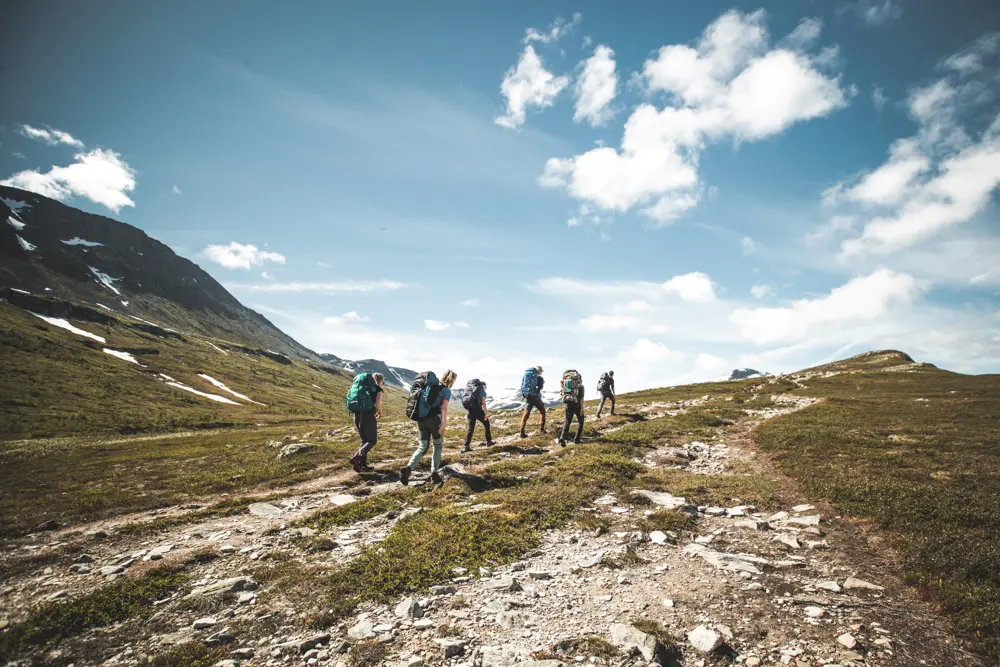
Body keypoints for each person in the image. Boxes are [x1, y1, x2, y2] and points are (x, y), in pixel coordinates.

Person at [400, 369, 457, 486]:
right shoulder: (446, 391)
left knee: (423, 446)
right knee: (438, 445)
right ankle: (434, 473)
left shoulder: (429, 387)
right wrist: (444, 424)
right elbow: (444, 408)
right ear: (452, 380)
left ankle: (408, 469)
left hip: (421, 419)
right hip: (434, 420)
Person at [347, 372, 384, 472]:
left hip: (357, 415)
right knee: (372, 440)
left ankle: (362, 465)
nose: (382, 384)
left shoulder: (363, 387)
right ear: (380, 381)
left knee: (364, 440)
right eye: (382, 382)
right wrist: (380, 412)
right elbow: (377, 403)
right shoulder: (377, 389)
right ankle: (356, 457)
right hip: (368, 416)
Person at [461, 378, 495, 452]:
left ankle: (466, 446)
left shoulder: (472, 391)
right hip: (478, 410)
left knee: (470, 429)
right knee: (487, 424)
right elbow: (483, 403)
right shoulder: (482, 391)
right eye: (486, 386)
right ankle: (489, 442)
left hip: (471, 410)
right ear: (483, 386)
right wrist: (486, 413)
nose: (486, 388)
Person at [557, 369, 585, 447]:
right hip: (577, 404)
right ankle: (577, 439)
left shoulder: (566, 384)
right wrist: (582, 409)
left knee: (567, 420)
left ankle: (562, 437)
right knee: (581, 420)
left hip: (568, 403)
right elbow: (581, 398)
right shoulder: (580, 387)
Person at [518, 365, 546, 438]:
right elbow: (539, 387)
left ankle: (522, 431)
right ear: (539, 371)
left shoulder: (526, 374)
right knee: (542, 411)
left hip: (528, 397)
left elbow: (523, 385)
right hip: (535, 397)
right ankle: (542, 429)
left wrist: (526, 395)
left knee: (526, 413)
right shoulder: (537, 376)